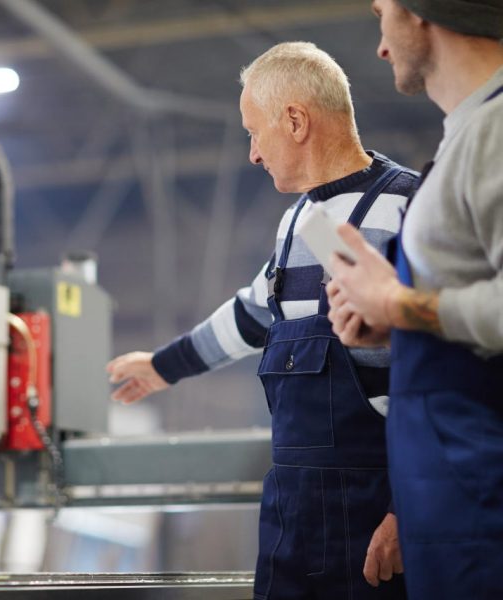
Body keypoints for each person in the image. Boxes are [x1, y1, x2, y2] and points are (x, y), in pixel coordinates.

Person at [107, 41, 417, 600]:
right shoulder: (303, 223)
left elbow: (437, 379)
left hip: (376, 515)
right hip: (293, 513)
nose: (253, 153)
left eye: (255, 131)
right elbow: (253, 314)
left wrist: (409, 510)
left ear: (295, 120)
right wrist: (161, 367)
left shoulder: (408, 210)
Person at [325, 1, 503, 598]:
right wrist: (392, 324)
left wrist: (400, 306)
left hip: (485, 505)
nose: (380, 44)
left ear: (422, 11)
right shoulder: (467, 137)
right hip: (453, 506)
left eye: (382, 12)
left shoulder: (497, 130)